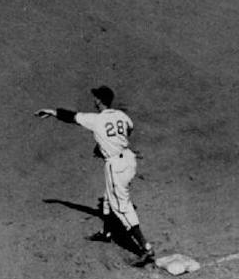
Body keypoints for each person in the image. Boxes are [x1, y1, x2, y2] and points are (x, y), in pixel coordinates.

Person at [37, 86, 156, 266]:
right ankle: (106, 233)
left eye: (95, 98)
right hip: (129, 160)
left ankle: (145, 247)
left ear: (99, 101)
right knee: (108, 198)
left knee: (121, 207)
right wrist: (110, 144)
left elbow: (72, 117)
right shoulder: (123, 116)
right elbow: (128, 131)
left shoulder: (96, 119)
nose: (94, 100)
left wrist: (53, 112)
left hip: (116, 165)